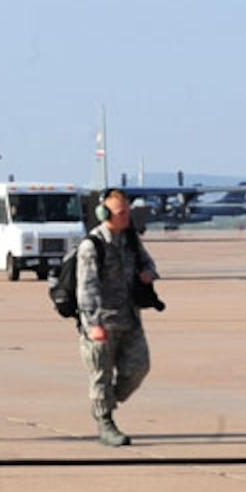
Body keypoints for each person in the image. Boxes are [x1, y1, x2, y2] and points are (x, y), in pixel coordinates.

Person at [74, 189, 158, 447]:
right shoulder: (92, 245)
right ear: (104, 214)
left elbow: (149, 264)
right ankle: (105, 422)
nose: (126, 217)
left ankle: (109, 398)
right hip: (102, 323)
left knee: (138, 368)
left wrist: (148, 274)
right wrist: (94, 324)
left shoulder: (130, 239)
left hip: (129, 318)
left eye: (127, 212)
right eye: (121, 213)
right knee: (100, 375)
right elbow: (86, 288)